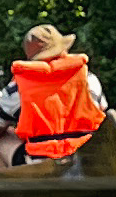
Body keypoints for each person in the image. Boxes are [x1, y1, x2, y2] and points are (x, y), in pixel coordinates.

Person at [6, 23, 106, 165]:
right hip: (86, 161)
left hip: (41, 164)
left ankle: (11, 185)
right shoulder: (89, 79)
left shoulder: (17, 86)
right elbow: (103, 111)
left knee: (2, 136)